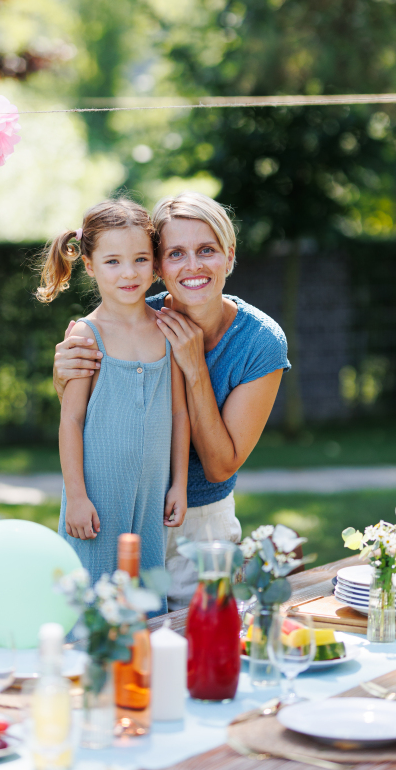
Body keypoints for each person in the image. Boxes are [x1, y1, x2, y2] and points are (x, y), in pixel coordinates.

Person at [53, 192, 289, 610]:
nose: (193, 266)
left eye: (207, 250)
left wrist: (194, 365)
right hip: (117, 508)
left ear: (229, 255)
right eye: (176, 253)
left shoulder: (259, 342)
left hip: (193, 521)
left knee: (190, 647)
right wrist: (64, 376)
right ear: (161, 264)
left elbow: (219, 465)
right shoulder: (133, 320)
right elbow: (88, 413)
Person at [37, 198, 189, 607]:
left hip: (152, 494)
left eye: (141, 259)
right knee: (93, 599)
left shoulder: (166, 328)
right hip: (97, 498)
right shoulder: (87, 336)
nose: (129, 273)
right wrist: (77, 496)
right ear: (89, 265)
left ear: (155, 262)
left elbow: (178, 412)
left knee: (144, 595)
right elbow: (71, 421)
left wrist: (178, 483)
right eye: (113, 262)